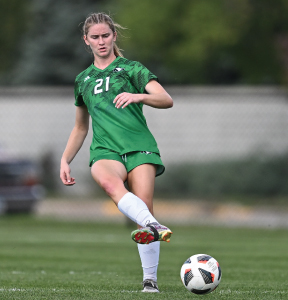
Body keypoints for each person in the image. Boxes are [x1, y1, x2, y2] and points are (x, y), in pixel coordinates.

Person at [60, 12, 173, 293]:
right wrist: (65, 159)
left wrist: (139, 95)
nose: (101, 41)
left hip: (139, 147)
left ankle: (150, 281)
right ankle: (154, 225)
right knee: (109, 182)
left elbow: (166, 99)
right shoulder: (83, 80)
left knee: (141, 212)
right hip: (105, 150)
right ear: (86, 40)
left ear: (114, 36)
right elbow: (80, 128)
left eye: (106, 36)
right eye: (95, 37)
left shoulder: (132, 70)